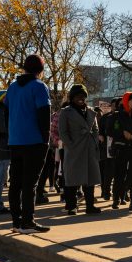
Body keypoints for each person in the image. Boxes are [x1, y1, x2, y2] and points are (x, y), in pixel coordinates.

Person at [6, 54, 52, 234]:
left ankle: (16, 221)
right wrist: (45, 139)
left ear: (24, 68)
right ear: (40, 70)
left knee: (15, 182)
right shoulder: (39, 87)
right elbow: (44, 113)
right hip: (34, 141)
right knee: (30, 183)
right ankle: (28, 221)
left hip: (15, 141)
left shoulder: (12, 88)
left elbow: (6, 112)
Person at [58, 84, 102, 215]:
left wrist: (94, 141)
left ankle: (90, 206)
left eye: (83, 96)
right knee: (72, 179)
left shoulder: (90, 111)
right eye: (77, 96)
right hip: (74, 149)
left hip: (89, 149)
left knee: (90, 179)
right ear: (72, 98)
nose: (81, 98)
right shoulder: (66, 112)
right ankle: (72, 206)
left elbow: (95, 129)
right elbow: (63, 132)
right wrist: (71, 145)